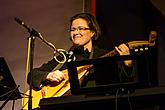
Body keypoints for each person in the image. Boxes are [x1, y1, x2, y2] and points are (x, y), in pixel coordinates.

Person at [27, 12, 134, 91]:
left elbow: (121, 84)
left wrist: (128, 64)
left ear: (92, 32)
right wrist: (48, 76)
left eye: (81, 28)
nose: (76, 32)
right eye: (73, 29)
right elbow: (32, 75)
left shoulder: (103, 55)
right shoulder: (64, 57)